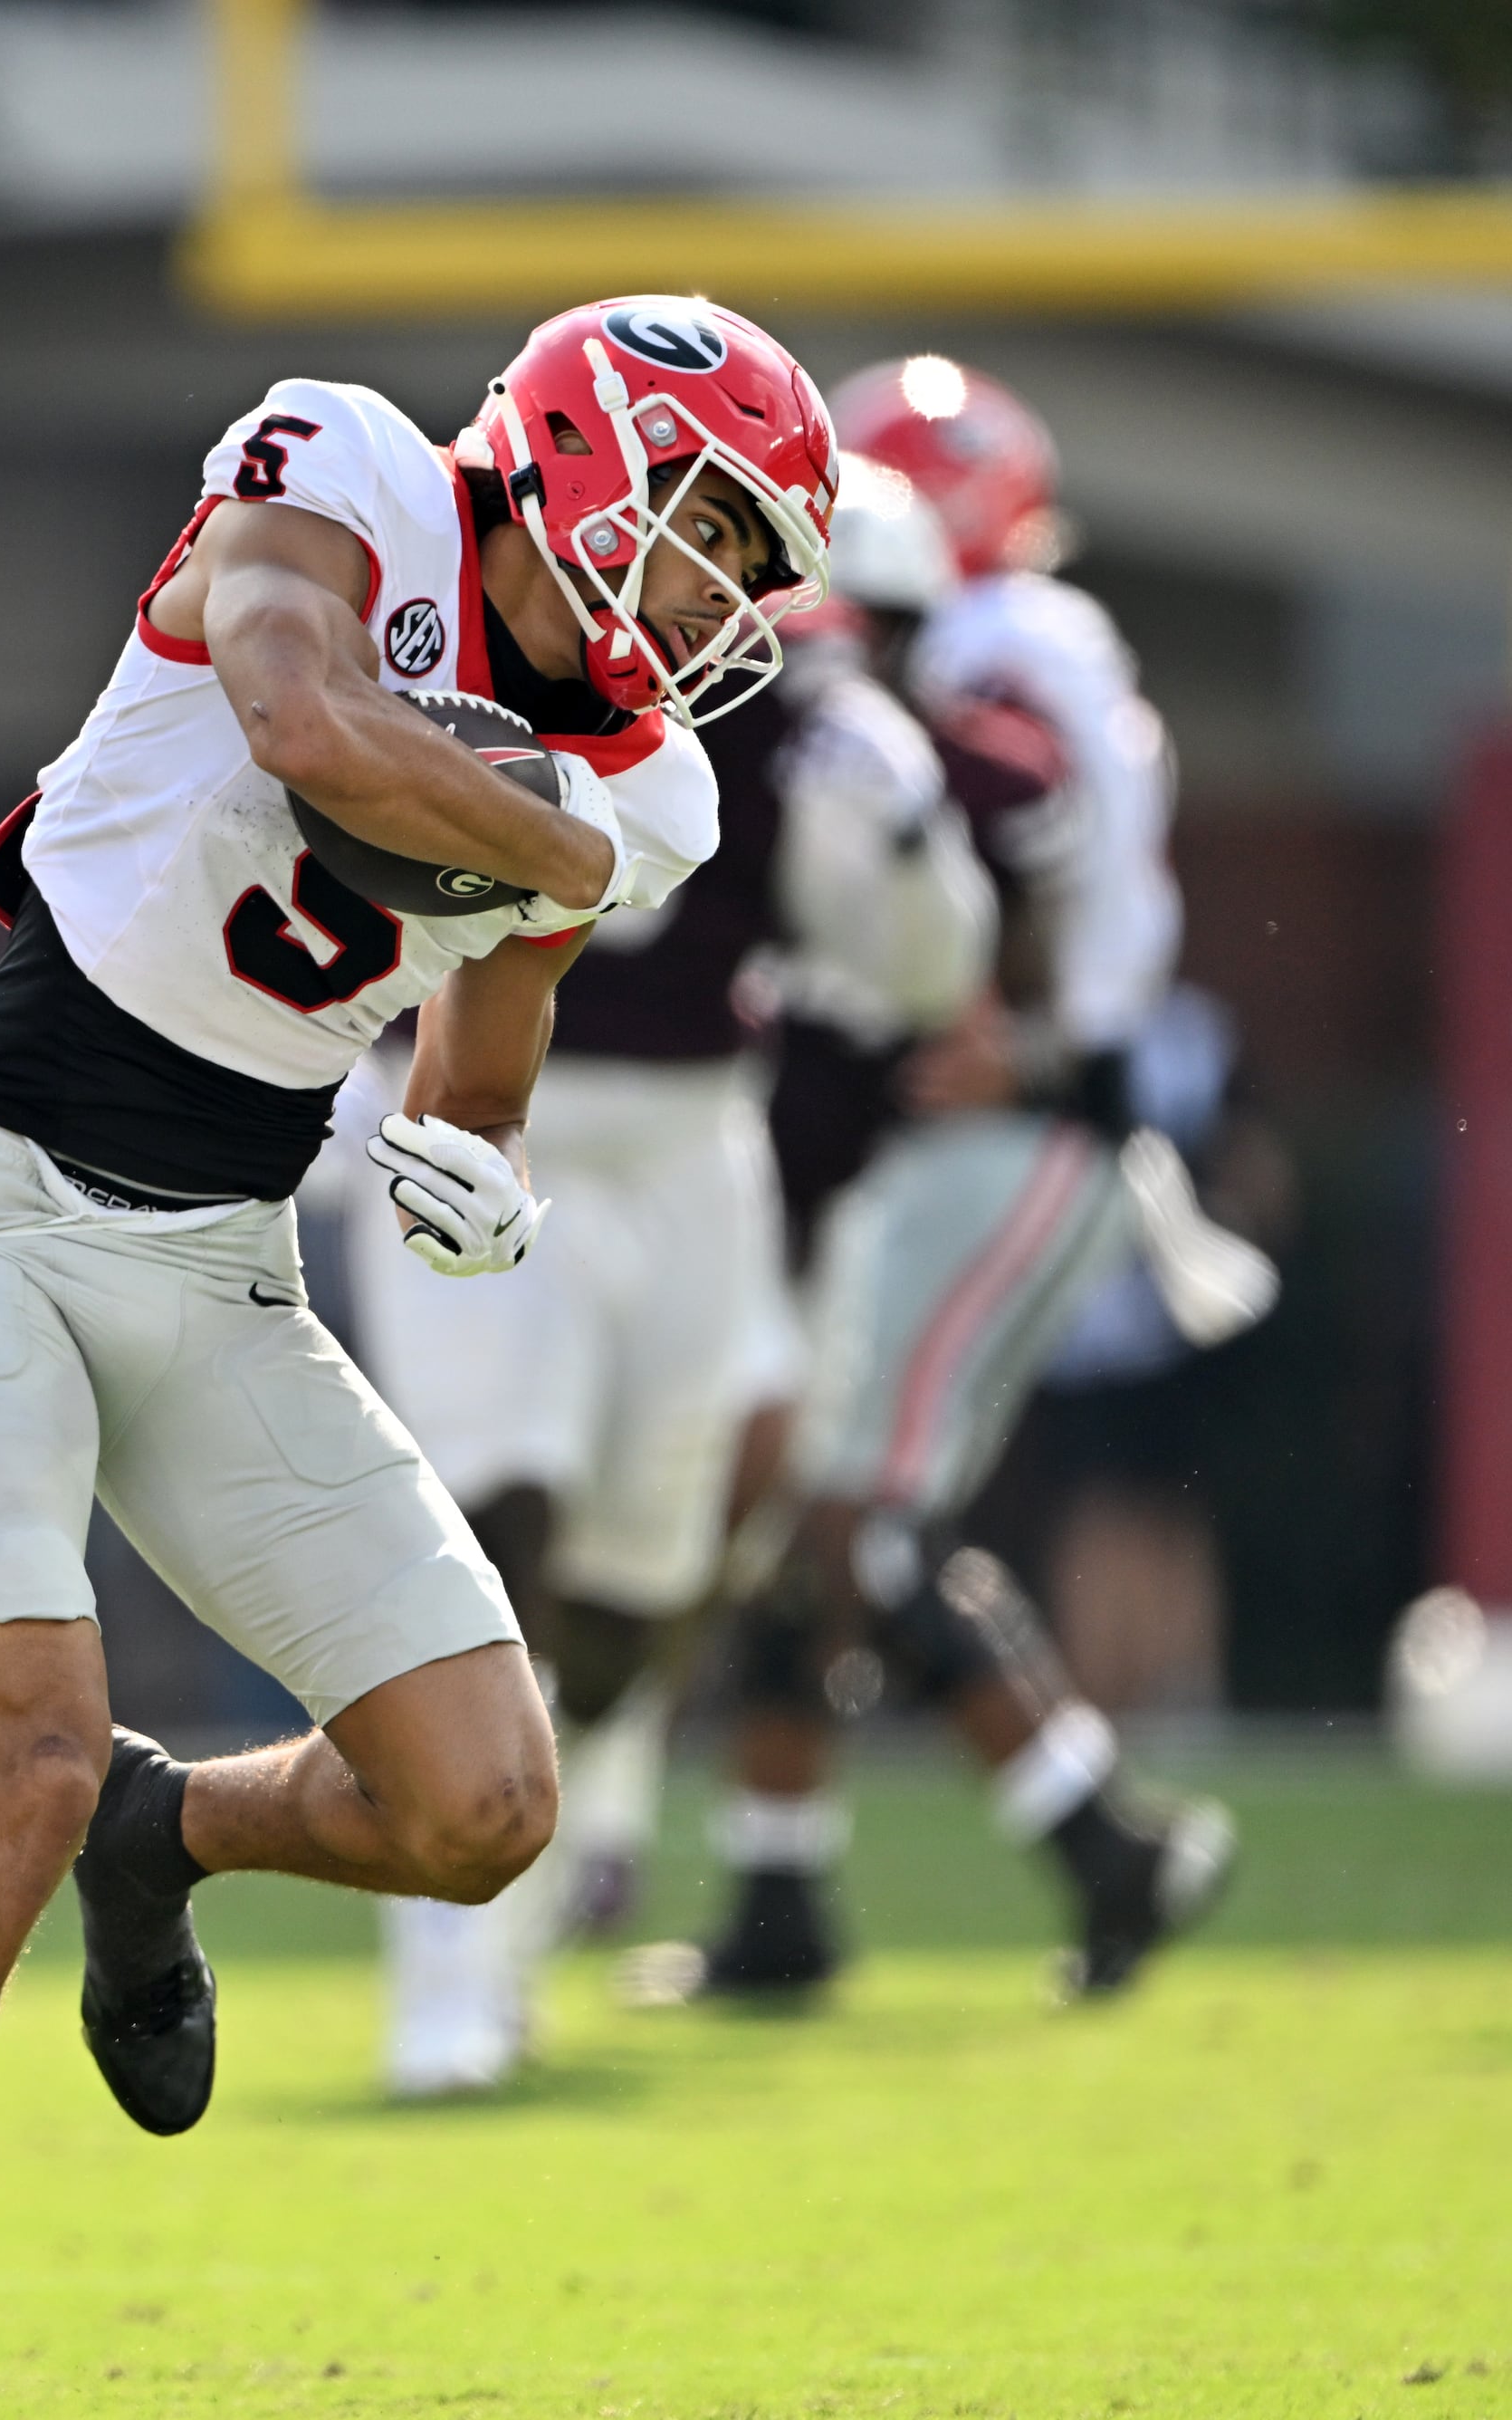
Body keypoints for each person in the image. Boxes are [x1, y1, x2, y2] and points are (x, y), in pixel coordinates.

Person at [0, 296, 836, 2420]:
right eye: (704, 526)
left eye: (745, 568)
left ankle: (175, 1836)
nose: (711, 599)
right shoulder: (342, 464)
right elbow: (303, 719)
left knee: (485, 1799)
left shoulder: (638, 768)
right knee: (19, 1764)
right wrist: (556, 842)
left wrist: (473, 1155)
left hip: (228, 1257)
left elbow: (483, 1042)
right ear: (587, 451)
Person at [344, 457, 1000, 2093]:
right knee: (499, 1509)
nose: (714, 606)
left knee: (642, 1583)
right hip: (478, 1117)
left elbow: (930, 974)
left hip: (698, 1145)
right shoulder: (462, 637)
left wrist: (903, 827)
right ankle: (442, 1951)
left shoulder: (799, 740)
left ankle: (532, 1860)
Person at [633, 357, 1239, 2005]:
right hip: (955, 1145)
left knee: (854, 1524)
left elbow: (1028, 819)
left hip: (1013, 1142)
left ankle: (1109, 1835)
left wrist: (1026, 1037)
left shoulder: (988, 687)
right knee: (795, 1524)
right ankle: (778, 1898)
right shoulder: (980, 675)